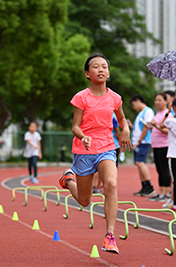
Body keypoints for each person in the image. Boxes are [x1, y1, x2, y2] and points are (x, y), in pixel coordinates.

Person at [58, 53, 131, 254]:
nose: (100, 69)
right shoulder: (81, 97)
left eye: (104, 67)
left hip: (107, 147)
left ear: (108, 72)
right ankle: (68, 179)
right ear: (87, 73)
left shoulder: (115, 98)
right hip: (84, 150)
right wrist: (83, 137)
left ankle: (109, 236)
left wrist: (125, 129)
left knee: (112, 184)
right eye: (95, 66)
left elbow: (122, 119)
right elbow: (75, 126)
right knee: (85, 201)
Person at [129, 94, 156, 197]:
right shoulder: (140, 113)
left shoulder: (148, 111)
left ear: (138, 101)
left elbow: (146, 127)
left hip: (143, 142)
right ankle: (144, 186)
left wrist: (139, 141)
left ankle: (149, 186)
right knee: (138, 163)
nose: (133, 107)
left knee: (140, 163)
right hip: (138, 142)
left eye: (133, 104)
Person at [148, 93, 172, 202]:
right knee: (159, 169)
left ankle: (167, 193)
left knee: (164, 169)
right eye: (156, 100)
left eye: (160, 100)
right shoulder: (158, 113)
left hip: (164, 145)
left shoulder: (168, 114)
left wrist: (156, 126)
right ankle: (161, 192)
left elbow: (169, 131)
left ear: (166, 101)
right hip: (156, 145)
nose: (157, 102)